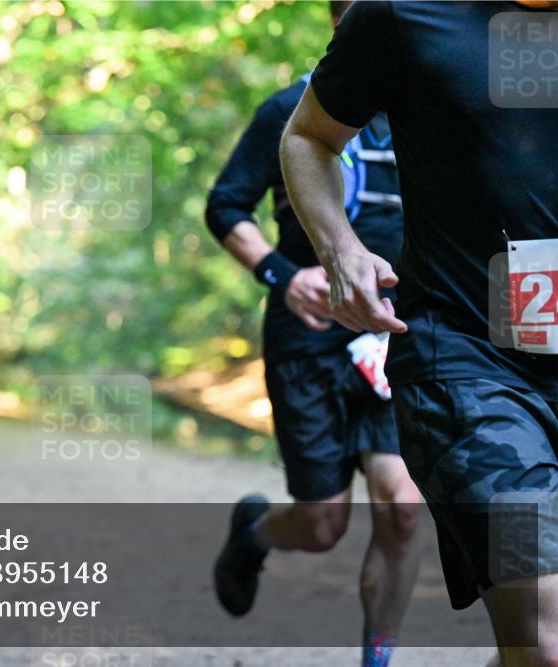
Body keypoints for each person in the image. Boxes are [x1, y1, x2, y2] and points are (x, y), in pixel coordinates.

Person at [279, 2, 558, 665]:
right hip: (472, 370)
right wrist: (339, 249)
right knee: (545, 636)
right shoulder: (406, 14)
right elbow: (307, 136)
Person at [207, 4, 422, 665]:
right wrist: (282, 275)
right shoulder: (288, 110)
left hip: (390, 339)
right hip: (308, 344)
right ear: (342, 20)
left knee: (404, 507)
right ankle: (253, 532)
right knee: (323, 524)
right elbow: (225, 205)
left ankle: (376, 659)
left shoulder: (425, 117)